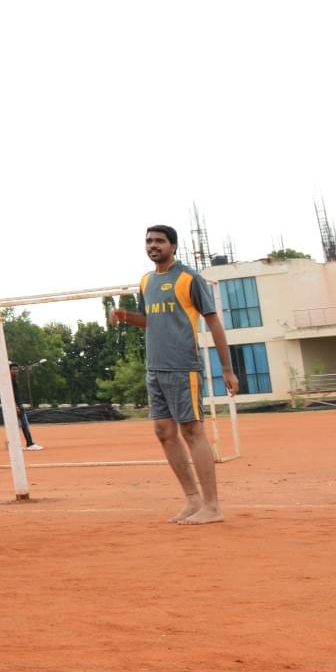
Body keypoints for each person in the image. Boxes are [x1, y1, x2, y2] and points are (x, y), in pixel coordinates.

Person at [109, 224, 239, 524]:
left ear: (173, 246)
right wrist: (125, 316)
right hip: (155, 368)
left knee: (192, 432)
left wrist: (227, 369)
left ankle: (213, 506)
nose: (153, 246)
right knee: (163, 433)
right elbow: (151, 321)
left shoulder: (189, 278)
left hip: (184, 368)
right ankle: (192, 500)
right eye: (149, 241)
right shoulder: (145, 281)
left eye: (160, 241)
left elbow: (214, 322)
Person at [9, 362, 43, 450]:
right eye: (13, 369)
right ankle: (30, 444)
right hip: (16, 407)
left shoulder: (14, 380)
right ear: (9, 370)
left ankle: (15, 445)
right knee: (24, 425)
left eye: (16, 369)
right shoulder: (10, 381)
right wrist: (16, 406)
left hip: (18, 406)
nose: (15, 371)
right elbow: (10, 394)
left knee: (18, 426)